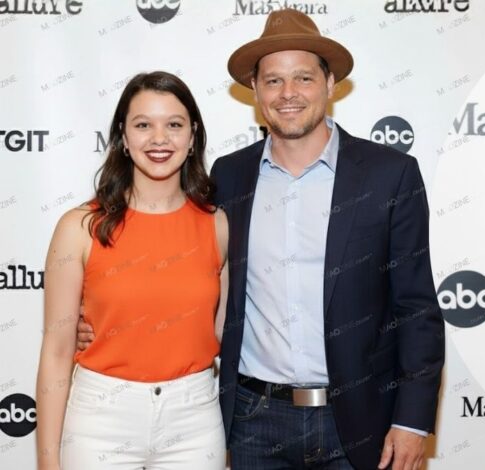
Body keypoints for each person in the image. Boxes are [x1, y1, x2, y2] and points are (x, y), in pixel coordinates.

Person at [209, 9, 445, 469]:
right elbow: (199, 281)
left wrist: (413, 421)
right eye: (273, 81)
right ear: (255, 91)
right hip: (254, 420)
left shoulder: (389, 174)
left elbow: (416, 307)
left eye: (303, 78)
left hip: (359, 420)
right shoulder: (229, 176)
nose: (288, 94)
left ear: (330, 83)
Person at [37, 71, 229, 470]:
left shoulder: (218, 225)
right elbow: (56, 353)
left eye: (174, 125)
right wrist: (47, 461)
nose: (159, 139)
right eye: (143, 125)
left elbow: (223, 332)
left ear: (192, 136)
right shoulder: (79, 227)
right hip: (99, 420)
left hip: (194, 420)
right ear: (123, 137)